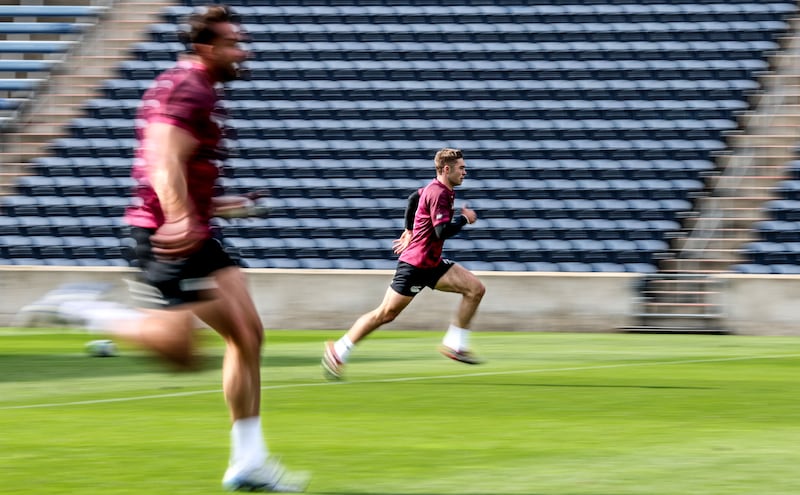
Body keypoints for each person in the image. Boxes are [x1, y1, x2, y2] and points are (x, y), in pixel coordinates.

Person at [16, 5, 308, 492]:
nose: (243, 51)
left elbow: (182, 168)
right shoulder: (187, 86)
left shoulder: (204, 90)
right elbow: (161, 156)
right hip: (166, 233)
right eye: (233, 43)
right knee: (181, 353)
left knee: (247, 334)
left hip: (196, 227)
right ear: (205, 49)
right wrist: (178, 215)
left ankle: (249, 461)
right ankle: (82, 308)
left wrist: (220, 205)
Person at [321, 148, 486, 380]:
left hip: (431, 263)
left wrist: (409, 229)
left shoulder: (437, 189)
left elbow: (413, 198)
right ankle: (338, 350)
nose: (465, 172)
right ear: (446, 169)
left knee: (475, 289)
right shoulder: (438, 193)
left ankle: (455, 343)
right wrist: (464, 219)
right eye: (461, 168)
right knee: (385, 314)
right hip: (416, 266)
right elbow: (441, 231)